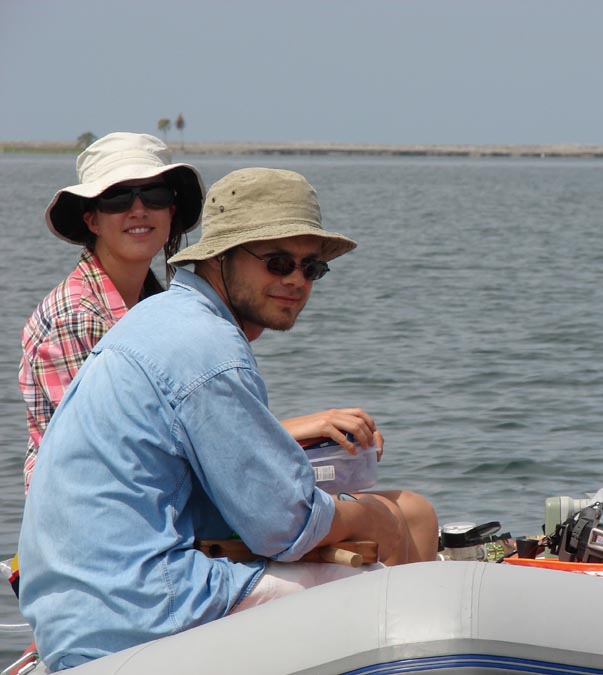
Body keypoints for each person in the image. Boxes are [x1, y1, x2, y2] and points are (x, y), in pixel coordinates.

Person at [18, 167, 438, 671]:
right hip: (142, 609)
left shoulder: (162, 318)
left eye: (312, 269)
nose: (295, 281)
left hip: (78, 613)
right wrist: (369, 517)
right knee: (393, 599)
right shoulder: (209, 349)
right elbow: (281, 525)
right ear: (219, 257)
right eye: (278, 262)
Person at [19, 132, 204, 493]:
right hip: (89, 517)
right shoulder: (75, 316)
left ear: (171, 210)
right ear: (92, 220)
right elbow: (111, 449)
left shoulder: (156, 305)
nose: (139, 210)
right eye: (118, 198)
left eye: (154, 194)